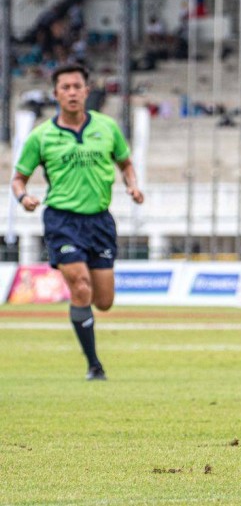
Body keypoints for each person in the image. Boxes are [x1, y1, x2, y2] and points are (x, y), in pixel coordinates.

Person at [11, 63, 144, 381]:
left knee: (104, 301)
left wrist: (132, 184)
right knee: (81, 286)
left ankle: (84, 314)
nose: (72, 92)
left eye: (77, 86)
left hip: (100, 221)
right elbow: (18, 178)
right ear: (56, 94)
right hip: (62, 220)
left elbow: (126, 163)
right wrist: (23, 197)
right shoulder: (41, 136)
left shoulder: (107, 127)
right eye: (65, 87)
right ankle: (94, 365)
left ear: (87, 91)